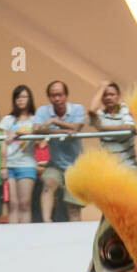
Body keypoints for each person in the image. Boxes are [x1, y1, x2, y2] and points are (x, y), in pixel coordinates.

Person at [33, 80, 85, 222]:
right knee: (48, 184)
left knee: (73, 208)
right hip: (55, 163)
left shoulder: (77, 109)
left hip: (76, 165)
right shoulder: (43, 111)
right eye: (53, 95)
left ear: (66, 95)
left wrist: (54, 122)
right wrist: (63, 130)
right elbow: (37, 129)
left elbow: (77, 128)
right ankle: (47, 223)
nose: (57, 99)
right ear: (49, 97)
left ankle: (77, 237)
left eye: (60, 95)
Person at [0, 85, 37, 224]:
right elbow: (2, 143)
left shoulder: (35, 119)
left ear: (29, 99)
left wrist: (21, 133)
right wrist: (3, 166)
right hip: (9, 164)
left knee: (25, 203)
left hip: (27, 164)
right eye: (18, 97)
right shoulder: (8, 119)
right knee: (12, 204)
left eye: (24, 97)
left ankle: (26, 236)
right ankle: (12, 236)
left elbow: (41, 136)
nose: (20, 100)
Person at [88, 81, 137, 166]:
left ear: (119, 96)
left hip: (129, 164)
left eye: (112, 94)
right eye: (105, 95)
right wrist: (102, 87)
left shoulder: (125, 108)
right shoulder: (100, 113)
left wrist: (103, 128)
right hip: (108, 166)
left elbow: (129, 127)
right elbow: (92, 109)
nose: (108, 98)